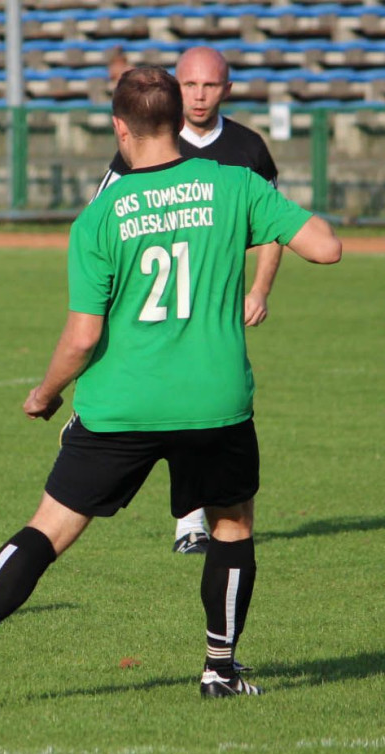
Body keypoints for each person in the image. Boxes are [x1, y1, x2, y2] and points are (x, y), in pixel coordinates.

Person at [0, 66, 340, 710]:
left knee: (46, 531)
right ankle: (219, 668)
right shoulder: (235, 183)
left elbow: (80, 338)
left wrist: (45, 394)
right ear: (178, 122)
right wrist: (262, 219)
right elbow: (326, 248)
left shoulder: (100, 216)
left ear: (120, 128)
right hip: (214, 403)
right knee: (232, 526)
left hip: (122, 404)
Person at [94, 46, 284, 555]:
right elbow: (102, 217)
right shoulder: (149, 141)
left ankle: (220, 520)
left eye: (210, 85)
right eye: (190, 85)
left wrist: (259, 289)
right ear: (176, 88)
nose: (199, 96)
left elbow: (273, 228)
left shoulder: (248, 148)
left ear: (227, 88)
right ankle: (190, 523)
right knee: (178, 400)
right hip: (154, 309)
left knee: (211, 402)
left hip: (215, 307)